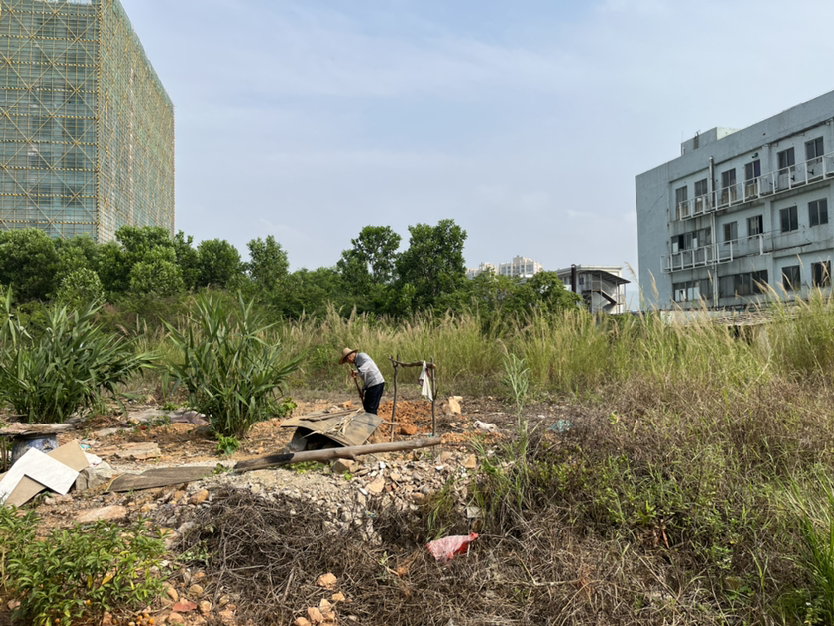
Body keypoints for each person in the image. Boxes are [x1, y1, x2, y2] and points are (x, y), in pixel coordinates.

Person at [339, 347, 385, 415]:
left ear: (349, 357)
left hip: (376, 383)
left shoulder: (362, 356)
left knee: (371, 408)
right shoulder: (357, 362)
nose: (349, 363)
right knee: (367, 406)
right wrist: (363, 390)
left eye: (347, 361)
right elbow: (366, 377)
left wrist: (358, 371)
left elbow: (368, 363)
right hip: (371, 384)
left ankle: (372, 423)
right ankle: (371, 422)